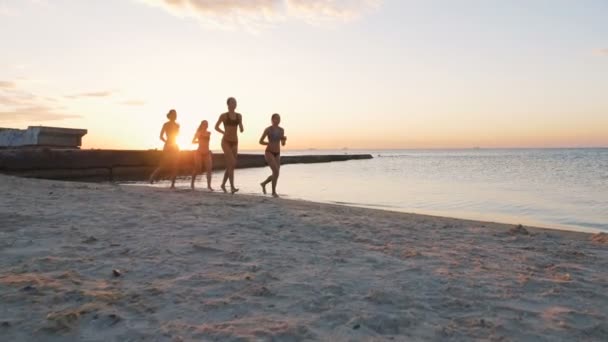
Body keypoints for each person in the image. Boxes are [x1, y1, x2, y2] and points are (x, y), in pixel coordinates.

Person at [214, 97, 243, 194]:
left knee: (231, 165)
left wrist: (241, 126)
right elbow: (216, 127)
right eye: (232, 102)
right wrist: (223, 132)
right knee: (233, 162)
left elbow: (241, 128)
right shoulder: (224, 116)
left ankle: (223, 184)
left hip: (235, 142)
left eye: (235, 102)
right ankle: (232, 187)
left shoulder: (239, 116)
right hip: (225, 142)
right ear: (228, 104)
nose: (234, 104)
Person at [149, 109, 180, 189]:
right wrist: (167, 141)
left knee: (175, 165)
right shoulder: (166, 124)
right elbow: (161, 136)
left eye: (175, 114)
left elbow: (177, 136)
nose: (175, 116)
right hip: (168, 146)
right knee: (164, 164)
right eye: (173, 114)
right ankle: (152, 177)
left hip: (175, 145)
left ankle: (173, 184)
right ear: (170, 116)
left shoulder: (177, 125)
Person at [259, 113, 286, 197]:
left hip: (277, 153)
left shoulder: (282, 130)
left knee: (276, 174)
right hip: (269, 152)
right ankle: (273, 192)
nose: (278, 120)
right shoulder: (268, 129)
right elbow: (260, 141)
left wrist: (284, 140)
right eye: (276, 118)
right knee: (276, 171)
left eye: (279, 119)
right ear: (272, 120)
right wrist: (268, 143)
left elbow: (283, 144)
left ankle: (263, 183)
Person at [191, 120, 214, 191]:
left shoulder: (209, 133)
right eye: (204, 124)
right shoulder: (198, 133)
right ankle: (192, 183)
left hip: (207, 152)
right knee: (198, 168)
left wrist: (209, 150)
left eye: (207, 124)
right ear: (201, 125)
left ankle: (209, 186)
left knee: (209, 169)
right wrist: (199, 141)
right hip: (199, 152)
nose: (205, 125)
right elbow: (192, 141)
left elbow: (207, 143)